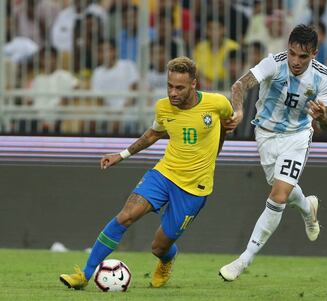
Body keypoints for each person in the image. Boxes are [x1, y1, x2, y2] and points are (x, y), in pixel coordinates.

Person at [59, 56, 233, 289]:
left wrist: (217, 150)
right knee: (125, 216)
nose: (173, 93)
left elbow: (228, 122)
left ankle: (167, 259)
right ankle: (84, 275)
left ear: (194, 83)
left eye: (179, 87)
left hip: (195, 188)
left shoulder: (217, 103)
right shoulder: (163, 107)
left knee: (159, 247)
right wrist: (121, 155)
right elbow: (153, 134)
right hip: (164, 174)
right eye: (169, 86)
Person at [219, 24, 327, 281]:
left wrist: (323, 117)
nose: (295, 61)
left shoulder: (323, 76)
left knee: (279, 195)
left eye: (303, 56)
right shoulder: (273, 63)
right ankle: (308, 208)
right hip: (266, 134)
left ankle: (243, 260)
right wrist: (238, 111)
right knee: (285, 191)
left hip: (297, 137)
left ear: (314, 53)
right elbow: (240, 86)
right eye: (292, 53)